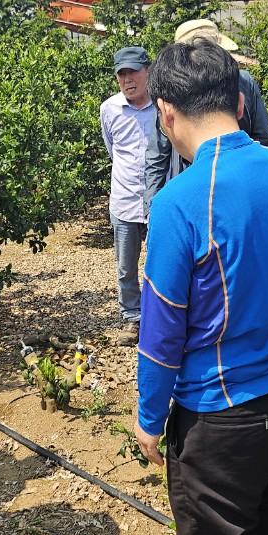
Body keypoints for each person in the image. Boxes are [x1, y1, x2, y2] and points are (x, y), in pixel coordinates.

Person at [135, 38, 268, 535]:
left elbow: (163, 328)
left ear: (165, 113)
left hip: (219, 417)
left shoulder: (181, 199)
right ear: (240, 104)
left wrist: (149, 419)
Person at [143, 18, 268, 218]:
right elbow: (157, 152)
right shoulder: (171, 90)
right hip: (190, 188)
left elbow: (262, 135)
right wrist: (152, 208)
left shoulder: (244, 81)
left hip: (238, 186)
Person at [100, 46, 158, 345]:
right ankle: (133, 319)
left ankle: (160, 318)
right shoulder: (109, 109)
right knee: (126, 269)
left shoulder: (162, 107)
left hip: (157, 203)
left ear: (148, 71)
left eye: (133, 71)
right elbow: (113, 151)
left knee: (160, 264)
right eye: (121, 74)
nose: (127, 79)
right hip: (123, 203)